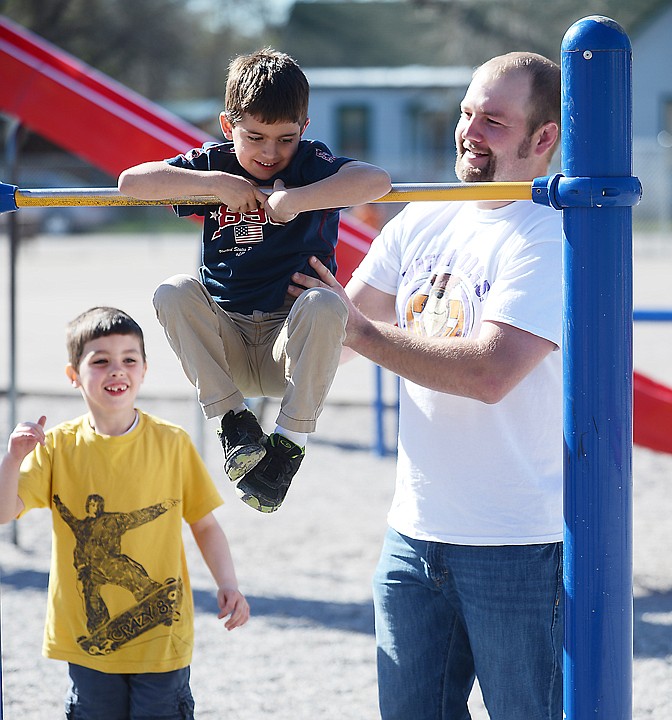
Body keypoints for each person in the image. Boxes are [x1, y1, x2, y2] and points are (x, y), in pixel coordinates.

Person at [290, 52, 563, 719]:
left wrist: (355, 331)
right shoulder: (422, 219)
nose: (469, 130)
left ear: (542, 140)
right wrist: (237, 318)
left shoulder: (551, 234)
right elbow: (335, 328)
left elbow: (489, 371)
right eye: (467, 112)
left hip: (519, 546)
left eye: (493, 121)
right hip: (413, 536)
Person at [117, 48, 391, 514]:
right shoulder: (214, 162)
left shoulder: (309, 164)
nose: (270, 153)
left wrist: (300, 199)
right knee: (173, 291)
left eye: (285, 138)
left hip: (291, 349)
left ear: (304, 129)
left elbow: (376, 181)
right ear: (228, 127)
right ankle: (234, 422)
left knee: (327, 303)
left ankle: (289, 443)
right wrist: (219, 185)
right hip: (230, 345)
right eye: (255, 137)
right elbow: (131, 182)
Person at [0, 307, 249, 719]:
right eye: (100, 361)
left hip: (162, 644)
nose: (117, 370)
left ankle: (150, 595)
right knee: (93, 592)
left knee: (130, 573)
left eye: (128, 360)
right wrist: (12, 460)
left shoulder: (172, 443)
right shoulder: (58, 448)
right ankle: (102, 620)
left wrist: (229, 583)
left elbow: (203, 522)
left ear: (144, 369)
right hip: (85, 639)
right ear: (73, 375)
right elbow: (5, 511)